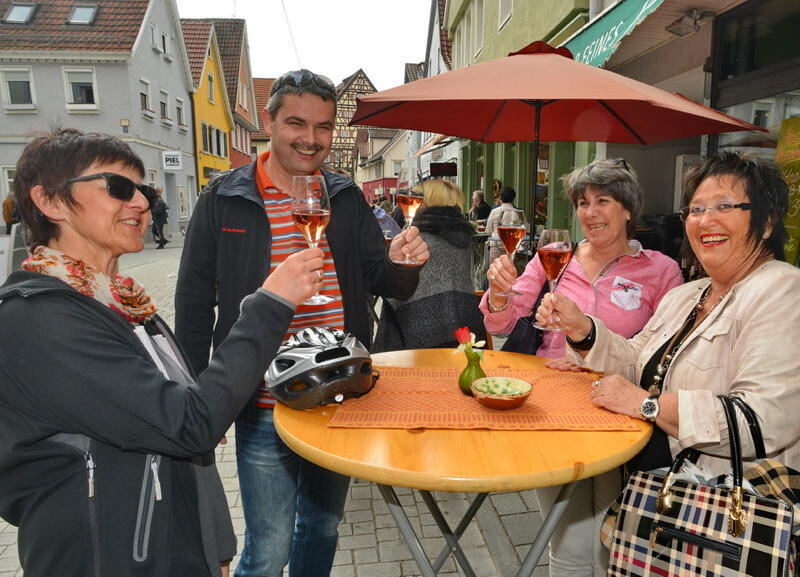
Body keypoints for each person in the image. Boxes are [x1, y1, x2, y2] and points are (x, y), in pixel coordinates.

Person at [0, 128, 323, 577]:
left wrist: (216, 545)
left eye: (144, 190)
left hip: (171, 551)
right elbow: (190, 424)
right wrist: (270, 304)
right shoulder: (38, 321)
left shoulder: (123, 302)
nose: (140, 203)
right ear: (50, 202)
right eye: (118, 187)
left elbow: (191, 436)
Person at [174, 68, 429, 577]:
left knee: (322, 527)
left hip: (339, 392)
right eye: (296, 123)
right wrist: (198, 395)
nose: (311, 139)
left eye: (323, 127)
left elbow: (382, 280)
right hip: (263, 397)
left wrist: (404, 262)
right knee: (268, 545)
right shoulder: (224, 198)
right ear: (268, 122)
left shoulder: (345, 195)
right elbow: (195, 304)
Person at [539, 151, 800, 574]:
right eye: (696, 209)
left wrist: (649, 406)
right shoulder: (688, 294)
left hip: (722, 513)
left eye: (724, 206)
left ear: (767, 222)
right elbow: (636, 359)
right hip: (657, 495)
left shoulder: (782, 290)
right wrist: (584, 330)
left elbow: (762, 420)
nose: (705, 220)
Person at [480, 158, 683, 577]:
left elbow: (667, 352)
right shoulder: (556, 256)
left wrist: (592, 345)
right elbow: (502, 321)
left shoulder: (661, 271)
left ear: (628, 208)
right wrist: (499, 292)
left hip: (619, 417)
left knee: (613, 540)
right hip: (553, 411)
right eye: (581, 202)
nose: (589, 213)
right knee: (568, 540)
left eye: (602, 201)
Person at [373, 179, 485, 351]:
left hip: (414, 335)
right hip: (464, 329)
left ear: (425, 201)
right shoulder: (463, 239)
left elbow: (393, 294)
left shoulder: (416, 241)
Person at [484, 186, 519, 264]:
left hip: (496, 246)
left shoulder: (494, 211)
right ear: (513, 198)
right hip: (512, 248)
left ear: (500, 198)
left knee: (494, 273)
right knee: (511, 273)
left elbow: (488, 231)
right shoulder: (518, 213)